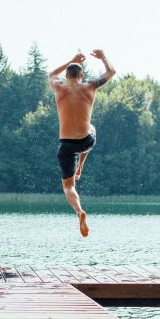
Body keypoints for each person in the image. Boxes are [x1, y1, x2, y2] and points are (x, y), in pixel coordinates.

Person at [49, 49, 115, 238]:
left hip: (66, 146)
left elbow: (52, 74)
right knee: (91, 129)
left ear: (67, 75)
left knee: (69, 187)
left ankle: (79, 211)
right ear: (81, 75)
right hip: (85, 141)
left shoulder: (59, 87)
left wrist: (71, 59)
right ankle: (81, 167)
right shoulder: (90, 86)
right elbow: (111, 72)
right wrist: (103, 57)